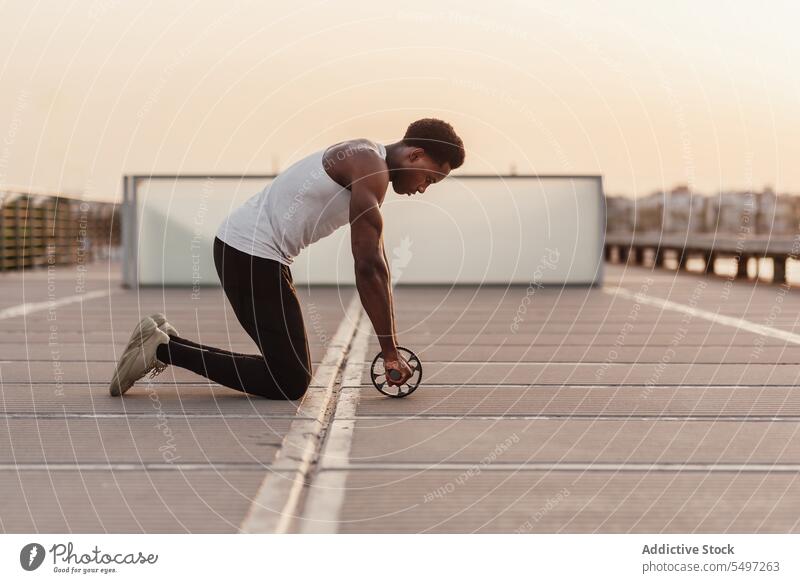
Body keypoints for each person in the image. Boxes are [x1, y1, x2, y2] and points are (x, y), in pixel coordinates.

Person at [109, 118, 465, 399]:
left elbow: (377, 258)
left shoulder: (367, 158)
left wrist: (389, 342)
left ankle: (166, 341)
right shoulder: (369, 166)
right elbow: (368, 265)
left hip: (254, 256)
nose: (423, 188)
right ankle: (164, 350)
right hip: (250, 256)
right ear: (415, 155)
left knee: (287, 371)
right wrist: (389, 352)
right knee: (289, 381)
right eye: (430, 178)